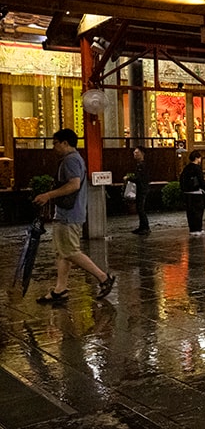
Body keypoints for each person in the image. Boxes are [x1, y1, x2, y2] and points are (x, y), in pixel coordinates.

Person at [33, 128, 116, 303]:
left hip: (68, 214)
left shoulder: (70, 160)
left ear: (65, 143)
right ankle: (60, 289)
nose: (53, 147)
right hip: (70, 213)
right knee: (62, 252)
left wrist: (48, 195)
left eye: (55, 143)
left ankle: (103, 278)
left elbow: (74, 185)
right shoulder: (74, 159)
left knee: (70, 251)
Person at [179, 150, 205, 236]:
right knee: (198, 211)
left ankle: (192, 229)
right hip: (196, 192)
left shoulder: (186, 168)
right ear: (197, 158)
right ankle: (198, 228)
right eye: (199, 158)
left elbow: (181, 179)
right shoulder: (197, 168)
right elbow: (201, 180)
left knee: (190, 212)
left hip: (187, 192)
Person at [130, 146, 150, 234]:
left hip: (142, 188)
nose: (135, 154)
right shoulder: (139, 164)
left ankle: (145, 227)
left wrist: (129, 178)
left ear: (142, 153)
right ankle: (142, 227)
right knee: (139, 208)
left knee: (141, 208)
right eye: (134, 153)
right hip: (140, 188)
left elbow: (140, 178)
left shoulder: (143, 165)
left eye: (137, 153)